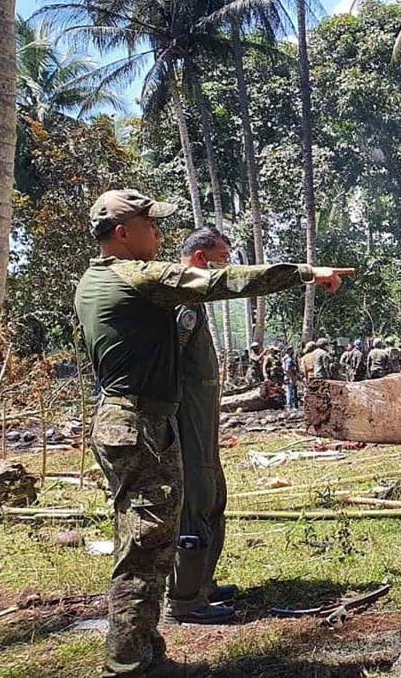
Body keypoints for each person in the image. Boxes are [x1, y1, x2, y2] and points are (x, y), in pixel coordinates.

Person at [75, 188, 353, 677]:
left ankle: (145, 650)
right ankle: (130, 664)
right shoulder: (137, 277)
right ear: (121, 233)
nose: (159, 234)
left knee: (151, 543)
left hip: (130, 420)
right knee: (144, 547)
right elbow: (224, 282)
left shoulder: (92, 280)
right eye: (150, 225)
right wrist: (307, 273)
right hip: (138, 423)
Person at [164, 228, 235, 627]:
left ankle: (203, 584)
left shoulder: (196, 302)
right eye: (221, 258)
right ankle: (185, 598)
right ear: (198, 259)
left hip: (203, 422)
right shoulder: (184, 302)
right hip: (187, 421)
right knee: (194, 500)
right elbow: (169, 362)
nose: (226, 266)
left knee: (212, 497)